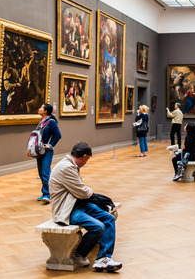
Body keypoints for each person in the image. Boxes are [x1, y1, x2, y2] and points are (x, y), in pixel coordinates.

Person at [50, 142, 122, 271]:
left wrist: (87, 192)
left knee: (108, 218)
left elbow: (80, 191)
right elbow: (82, 192)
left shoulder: (69, 165)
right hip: (67, 210)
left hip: (77, 204)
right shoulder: (66, 167)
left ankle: (103, 258)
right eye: (87, 159)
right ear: (83, 157)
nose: (85, 162)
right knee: (98, 227)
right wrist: (90, 191)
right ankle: (79, 254)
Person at [35, 103, 61, 204]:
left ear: (46, 111)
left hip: (47, 151)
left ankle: (49, 194)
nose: (39, 108)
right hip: (40, 150)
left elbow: (58, 135)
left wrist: (50, 145)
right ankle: (45, 192)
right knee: (41, 172)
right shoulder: (41, 121)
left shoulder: (51, 122)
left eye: (41, 107)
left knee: (46, 172)